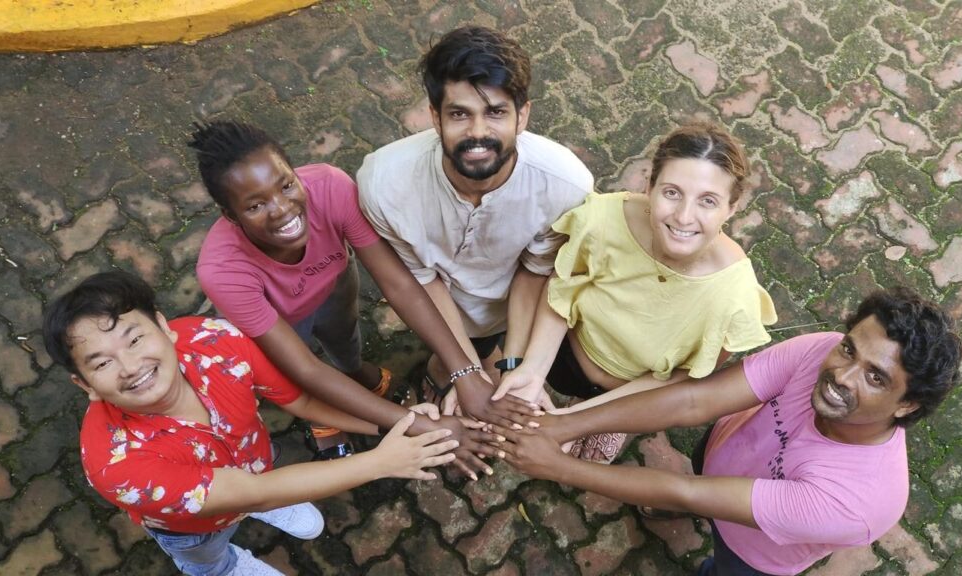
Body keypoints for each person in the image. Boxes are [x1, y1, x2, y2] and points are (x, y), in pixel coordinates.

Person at [497, 287, 962, 576]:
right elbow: (693, 400)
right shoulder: (821, 350)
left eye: (876, 377)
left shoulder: (857, 501)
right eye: (849, 350)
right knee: (687, 488)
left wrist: (559, 464)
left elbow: (687, 493)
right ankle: (664, 512)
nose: (842, 375)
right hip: (722, 452)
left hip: (755, 553)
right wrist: (560, 425)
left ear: (907, 404)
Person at [42, 271, 461, 575]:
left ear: (165, 329)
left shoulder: (213, 339)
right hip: (196, 528)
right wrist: (380, 462)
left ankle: (278, 503)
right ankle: (223, 569)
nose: (132, 366)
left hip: (256, 466)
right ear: (86, 385)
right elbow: (255, 494)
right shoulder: (116, 467)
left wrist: (385, 429)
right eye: (103, 362)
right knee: (205, 558)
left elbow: (303, 399)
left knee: (268, 485)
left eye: (135, 339)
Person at [191, 120, 535, 472]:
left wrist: (465, 373)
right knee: (293, 369)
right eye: (255, 206)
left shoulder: (329, 186)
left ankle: (353, 372)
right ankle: (323, 417)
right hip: (277, 319)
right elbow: (307, 369)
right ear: (230, 216)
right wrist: (416, 425)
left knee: (345, 338)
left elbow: (398, 284)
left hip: (334, 285)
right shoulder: (223, 272)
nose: (281, 209)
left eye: (286, 185)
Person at [492, 122, 777, 461]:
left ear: (732, 207)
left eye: (708, 201)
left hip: (632, 392)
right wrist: (533, 371)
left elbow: (677, 380)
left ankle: (613, 422)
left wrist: (577, 420)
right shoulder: (602, 220)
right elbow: (562, 290)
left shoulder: (734, 299)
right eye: (672, 193)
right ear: (649, 186)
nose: (684, 217)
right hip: (562, 354)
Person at [357, 25, 594, 415]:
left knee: (488, 348)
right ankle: (442, 368)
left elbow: (534, 273)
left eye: (496, 112)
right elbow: (422, 280)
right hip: (431, 304)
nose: (478, 133)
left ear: (523, 116)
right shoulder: (382, 184)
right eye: (459, 114)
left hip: (508, 306)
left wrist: (511, 367)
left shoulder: (566, 187)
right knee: (452, 359)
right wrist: (464, 372)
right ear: (435, 117)